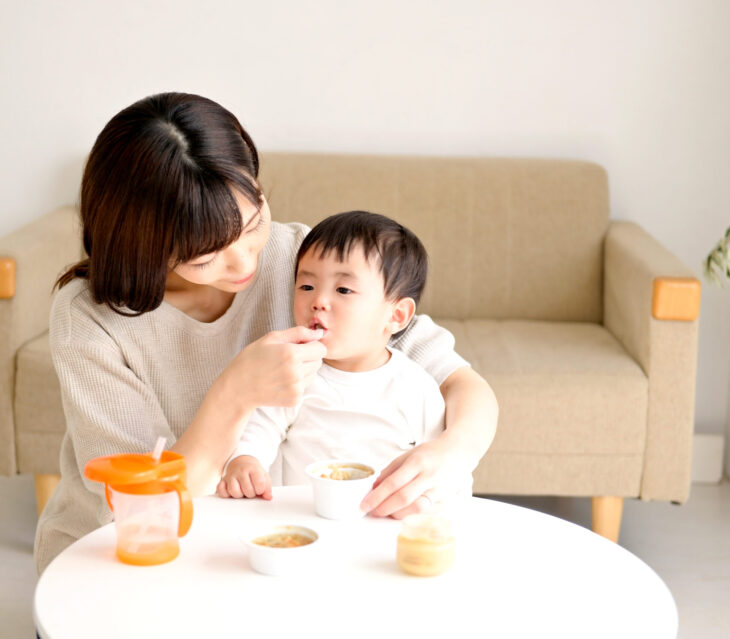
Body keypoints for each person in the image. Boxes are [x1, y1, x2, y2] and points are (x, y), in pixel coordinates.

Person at [33, 92, 498, 575]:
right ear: (143, 246)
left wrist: (452, 452)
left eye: (253, 222)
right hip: (124, 556)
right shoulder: (90, 318)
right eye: (206, 255)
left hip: (260, 546)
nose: (245, 261)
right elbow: (143, 506)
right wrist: (234, 393)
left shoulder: (302, 258)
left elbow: (459, 382)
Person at [218, 211, 474, 502]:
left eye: (343, 289)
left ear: (397, 315)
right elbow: (259, 427)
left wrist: (435, 501)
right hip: (303, 519)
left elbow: (448, 471)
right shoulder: (292, 371)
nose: (318, 302)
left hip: (385, 522)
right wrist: (245, 462)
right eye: (306, 286)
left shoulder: (416, 386)